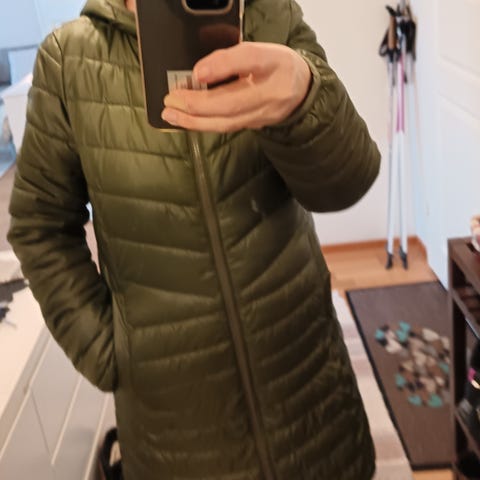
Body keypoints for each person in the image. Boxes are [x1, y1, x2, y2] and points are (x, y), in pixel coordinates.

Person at [7, 0, 381, 479]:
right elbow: (39, 225)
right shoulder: (69, 60)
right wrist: (109, 351)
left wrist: (306, 96)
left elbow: (347, 182)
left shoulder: (267, 16)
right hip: (173, 430)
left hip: (308, 385)